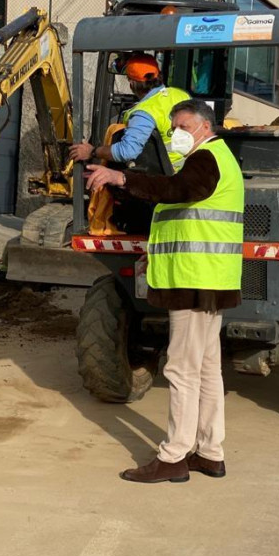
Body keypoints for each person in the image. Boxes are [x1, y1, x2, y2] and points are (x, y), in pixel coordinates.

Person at [84, 99, 243, 484]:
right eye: (172, 127)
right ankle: (209, 451)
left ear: (205, 127)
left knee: (181, 370)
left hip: (193, 280)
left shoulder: (206, 160)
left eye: (182, 126)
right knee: (205, 369)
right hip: (209, 279)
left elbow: (178, 189)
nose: (175, 134)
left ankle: (174, 456)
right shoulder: (218, 158)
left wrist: (122, 179)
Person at [69, 53, 190, 169]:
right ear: (158, 75)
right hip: (187, 169)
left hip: (161, 178)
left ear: (132, 83)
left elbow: (127, 151)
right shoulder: (181, 95)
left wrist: (93, 152)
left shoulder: (144, 113)